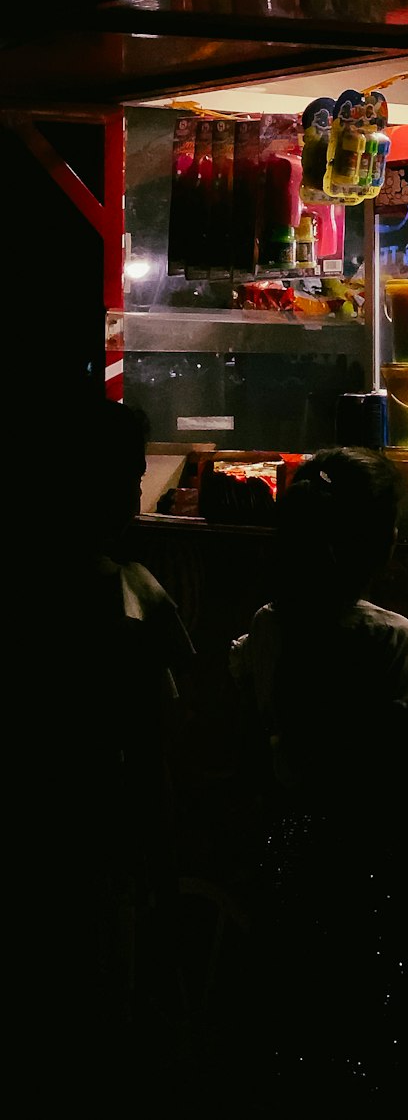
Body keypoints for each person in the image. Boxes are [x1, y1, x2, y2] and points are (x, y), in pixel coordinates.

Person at [228, 445, 408, 1103]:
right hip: (372, 874)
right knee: (376, 1044)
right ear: (383, 539)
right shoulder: (393, 640)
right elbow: (397, 794)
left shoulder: (269, 628)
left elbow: (261, 758)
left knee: (300, 1042)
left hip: (290, 860)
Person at [14, 386, 196, 1088]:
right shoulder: (132, 597)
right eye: (125, 474)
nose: (134, 489)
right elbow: (154, 742)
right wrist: (164, 862)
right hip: (100, 833)